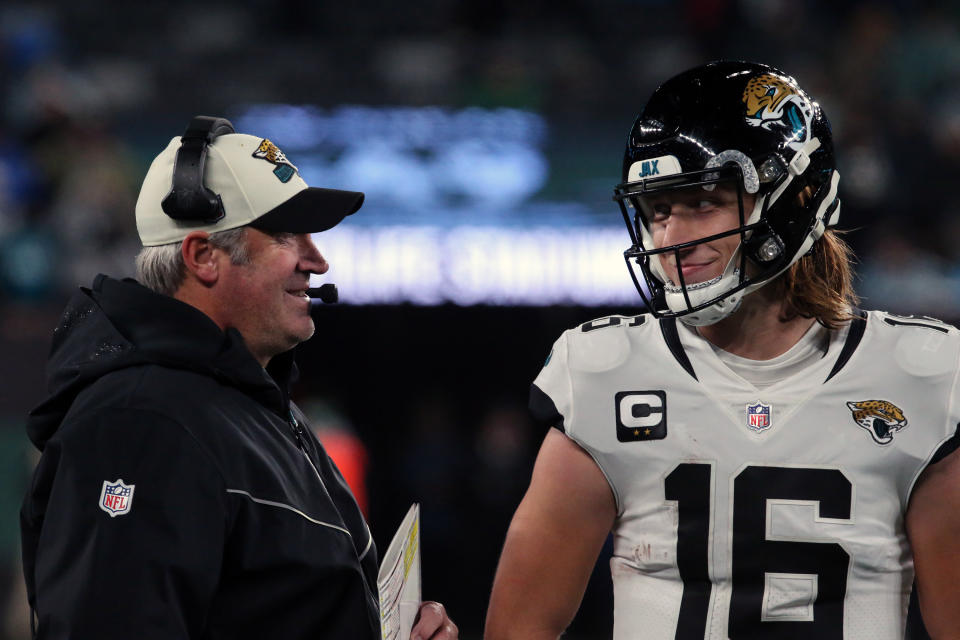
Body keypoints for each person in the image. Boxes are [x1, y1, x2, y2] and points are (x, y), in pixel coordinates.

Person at [485, 61, 960, 639]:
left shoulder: (922, 375)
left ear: (793, 195)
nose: (671, 238)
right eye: (657, 211)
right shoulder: (602, 374)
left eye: (702, 202)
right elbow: (517, 632)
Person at [20, 116, 458, 640]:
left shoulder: (254, 409)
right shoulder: (139, 421)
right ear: (203, 256)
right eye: (284, 235)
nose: (316, 260)